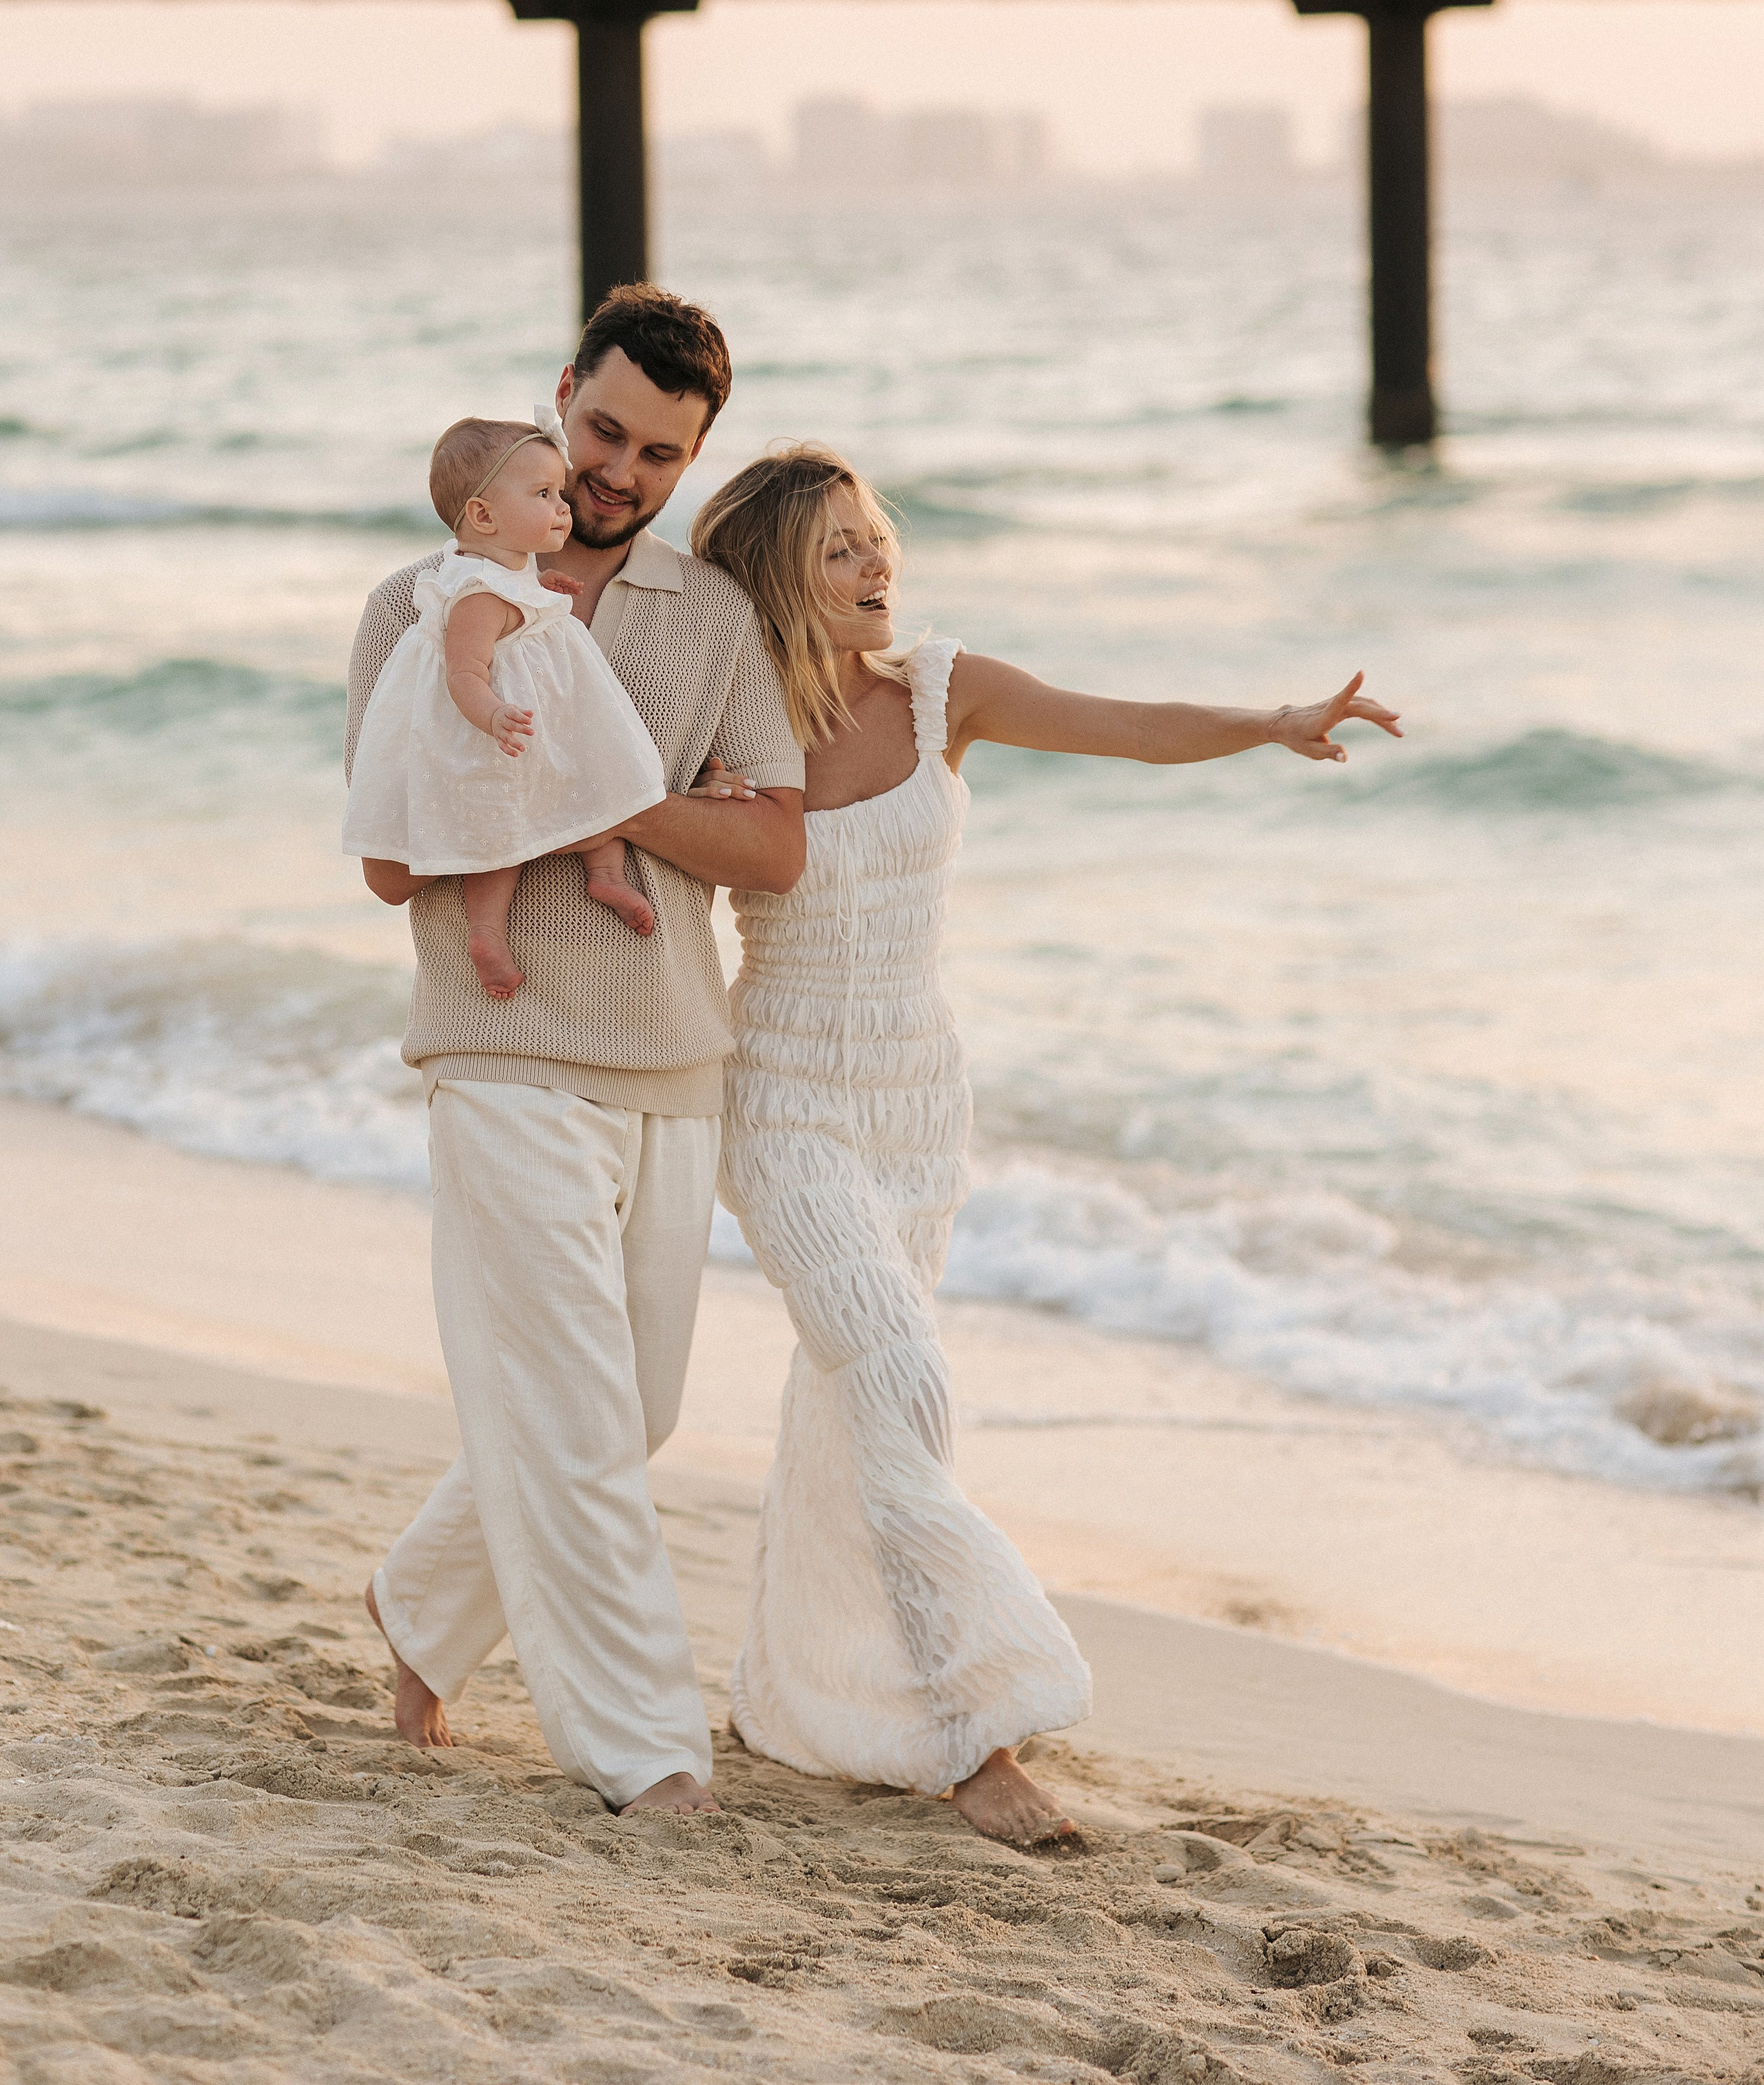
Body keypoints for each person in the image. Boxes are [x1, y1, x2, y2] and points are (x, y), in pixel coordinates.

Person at [693, 445, 1402, 1848]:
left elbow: (1126, 724)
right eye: (839, 549)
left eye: (877, 537)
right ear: (776, 577)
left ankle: (786, 1693)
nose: (876, 565)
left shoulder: (943, 689)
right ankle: (977, 1735)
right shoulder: (726, 724)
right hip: (780, 1102)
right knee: (899, 1379)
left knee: (847, 1407)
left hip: (914, 1103)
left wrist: (1268, 720)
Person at [346, 287, 807, 1818]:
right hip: (499, 1045)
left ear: (689, 463)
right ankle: (646, 1751)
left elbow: (774, 850)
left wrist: (614, 807)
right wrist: (594, 790)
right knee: (573, 1414)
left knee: (632, 1407)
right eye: (598, 432)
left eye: (655, 454)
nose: (613, 472)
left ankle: (419, 1608)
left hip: (675, 1052)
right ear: (558, 399)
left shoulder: (712, 619)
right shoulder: (422, 606)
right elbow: (389, 865)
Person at [342, 412, 665, 998]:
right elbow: (464, 673)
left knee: (601, 774)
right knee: (497, 832)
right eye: (544, 494)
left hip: (534, 722)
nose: (563, 507)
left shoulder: (511, 567)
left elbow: (526, 603)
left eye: (559, 492)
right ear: (483, 515)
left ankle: (606, 875)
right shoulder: (474, 594)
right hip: (493, 734)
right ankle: (487, 930)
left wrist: (547, 590)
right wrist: (493, 715)